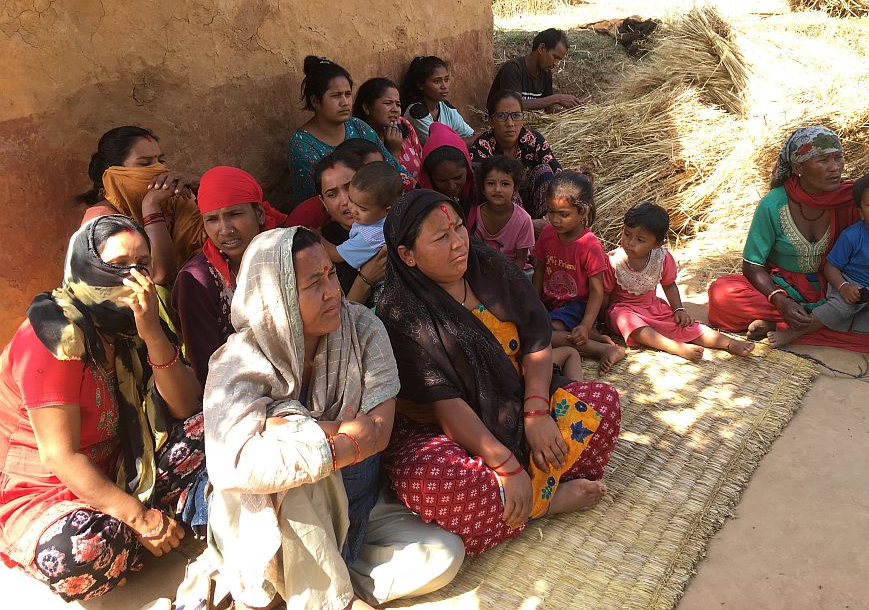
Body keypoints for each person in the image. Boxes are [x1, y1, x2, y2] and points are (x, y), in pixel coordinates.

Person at [204, 227, 463, 610]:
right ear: (277, 295)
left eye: (330, 275)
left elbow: (379, 433)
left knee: (445, 555)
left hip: (357, 499)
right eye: (313, 283)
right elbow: (234, 466)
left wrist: (298, 430)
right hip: (269, 516)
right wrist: (323, 435)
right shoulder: (238, 361)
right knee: (295, 481)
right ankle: (329, 596)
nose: (332, 292)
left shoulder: (362, 328)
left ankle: (312, 587)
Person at [377, 189, 621, 556]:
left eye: (459, 228)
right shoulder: (401, 314)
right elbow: (446, 404)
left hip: (515, 398)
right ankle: (543, 503)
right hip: (446, 432)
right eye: (441, 238)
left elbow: (536, 337)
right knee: (442, 484)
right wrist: (505, 465)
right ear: (407, 255)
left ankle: (522, 500)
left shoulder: (486, 266)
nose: (459, 243)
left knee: (602, 403)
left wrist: (537, 412)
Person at [0, 216, 204, 601]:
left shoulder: (136, 323)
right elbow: (60, 456)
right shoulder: (52, 334)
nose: (134, 278)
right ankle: (142, 535)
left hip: (121, 468)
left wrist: (152, 333)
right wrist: (139, 517)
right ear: (86, 266)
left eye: (142, 264)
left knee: (209, 427)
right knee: (77, 552)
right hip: (46, 491)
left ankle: (140, 539)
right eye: (117, 265)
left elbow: (184, 406)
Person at [707, 126, 869, 353]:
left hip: (835, 286)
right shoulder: (773, 204)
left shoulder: (850, 199)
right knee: (722, 294)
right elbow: (752, 265)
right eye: (823, 160)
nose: (835, 168)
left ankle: (788, 325)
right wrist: (781, 301)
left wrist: (853, 287)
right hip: (784, 287)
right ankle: (809, 321)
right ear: (798, 168)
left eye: (838, 158)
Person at [768, 170, 869, 387]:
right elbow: (831, 268)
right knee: (840, 307)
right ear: (860, 211)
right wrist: (844, 286)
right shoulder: (853, 235)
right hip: (848, 284)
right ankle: (792, 333)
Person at [172, 166, 287, 384]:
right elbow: (206, 366)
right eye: (212, 219)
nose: (224, 229)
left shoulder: (286, 253)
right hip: (233, 388)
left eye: (234, 214)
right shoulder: (197, 280)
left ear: (260, 214)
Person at [606, 203, 755, 362]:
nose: (630, 242)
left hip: (653, 308)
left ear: (657, 244)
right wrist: (600, 324)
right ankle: (675, 347)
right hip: (623, 309)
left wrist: (678, 310)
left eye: (640, 239)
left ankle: (729, 343)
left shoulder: (661, 258)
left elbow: (669, 285)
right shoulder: (613, 262)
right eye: (627, 234)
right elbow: (602, 294)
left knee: (684, 325)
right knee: (626, 320)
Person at [79, 125, 204, 284]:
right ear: (114, 174)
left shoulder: (174, 202)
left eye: (160, 160)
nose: (159, 169)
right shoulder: (102, 220)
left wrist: (200, 188)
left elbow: (222, 242)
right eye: (145, 164)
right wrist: (151, 207)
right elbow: (159, 276)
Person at [533, 171, 626, 374]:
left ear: (582, 212)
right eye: (551, 212)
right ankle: (593, 336)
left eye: (563, 214)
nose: (555, 220)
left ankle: (604, 349)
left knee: (545, 333)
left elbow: (597, 292)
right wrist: (534, 302)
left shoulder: (589, 245)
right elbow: (539, 270)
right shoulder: (548, 234)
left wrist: (584, 324)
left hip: (578, 304)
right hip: (552, 300)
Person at [288, 56, 404, 205]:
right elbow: (311, 203)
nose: (345, 102)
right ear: (316, 101)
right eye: (336, 96)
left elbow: (392, 168)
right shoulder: (302, 145)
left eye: (348, 94)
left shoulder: (358, 126)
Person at [286, 151, 388, 306]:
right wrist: (366, 279)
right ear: (323, 202)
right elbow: (339, 315)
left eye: (350, 187)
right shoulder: (319, 251)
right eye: (332, 194)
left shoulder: (393, 217)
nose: (345, 200)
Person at [469, 89, 563, 218]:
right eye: (502, 116)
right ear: (491, 122)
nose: (510, 124)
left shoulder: (533, 140)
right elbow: (480, 192)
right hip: (499, 215)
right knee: (505, 182)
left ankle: (549, 226)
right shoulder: (482, 147)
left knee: (544, 171)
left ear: (523, 119)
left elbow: (557, 172)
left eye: (516, 115)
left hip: (535, 207)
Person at [322, 161, 403, 271]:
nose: (352, 209)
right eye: (351, 199)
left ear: (387, 210)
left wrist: (316, 237)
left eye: (362, 209)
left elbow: (335, 255)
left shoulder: (370, 235)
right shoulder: (394, 217)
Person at [486, 28, 582, 112]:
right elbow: (513, 106)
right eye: (555, 57)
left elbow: (549, 111)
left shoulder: (546, 73)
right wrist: (557, 98)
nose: (556, 63)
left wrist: (576, 115)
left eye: (559, 60)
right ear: (541, 48)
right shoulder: (513, 69)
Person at [353, 77, 424, 180]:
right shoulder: (360, 138)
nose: (395, 109)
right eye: (388, 103)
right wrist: (393, 153)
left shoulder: (404, 125)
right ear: (367, 108)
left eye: (398, 104)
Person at [473, 155, 535, 272]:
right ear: (482, 188)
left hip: (516, 271)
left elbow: (520, 259)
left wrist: (504, 279)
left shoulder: (523, 220)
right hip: (486, 269)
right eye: (491, 183)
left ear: (515, 190)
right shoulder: (476, 215)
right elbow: (478, 254)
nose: (497, 189)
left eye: (505, 184)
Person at [400, 56, 475, 145]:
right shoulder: (417, 112)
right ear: (420, 84)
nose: (444, 86)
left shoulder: (445, 107)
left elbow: (470, 134)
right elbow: (441, 146)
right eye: (437, 81)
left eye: (446, 80)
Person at [418, 122, 478, 229]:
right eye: (441, 181)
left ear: (468, 168)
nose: (451, 186)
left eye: (457, 178)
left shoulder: (483, 185)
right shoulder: (422, 198)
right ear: (429, 177)